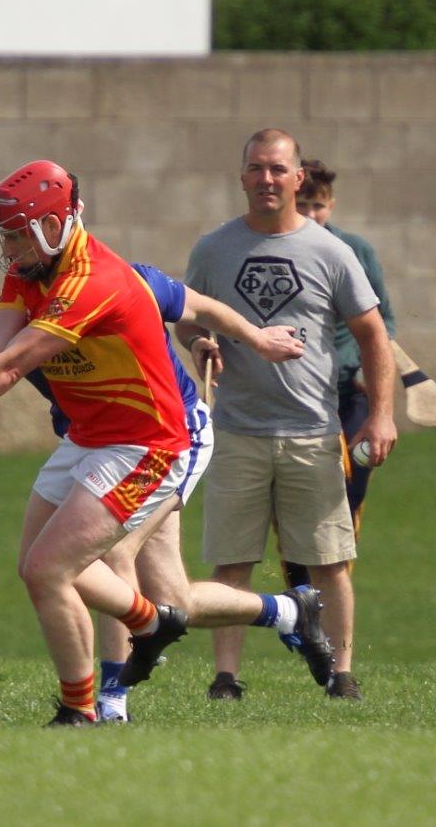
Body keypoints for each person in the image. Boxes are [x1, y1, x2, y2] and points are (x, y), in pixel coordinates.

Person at [0, 160, 311, 725]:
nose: (9, 246)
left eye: (18, 233)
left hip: (150, 443)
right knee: (41, 569)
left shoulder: (96, 280)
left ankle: (90, 706)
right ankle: (148, 628)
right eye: (6, 234)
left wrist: (258, 340)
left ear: (53, 225)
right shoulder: (26, 273)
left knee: (56, 566)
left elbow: (8, 368)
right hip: (89, 437)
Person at [176, 130, 396, 702]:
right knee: (231, 565)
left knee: (330, 563)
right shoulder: (214, 249)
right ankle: (226, 677)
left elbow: (373, 334)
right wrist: (199, 342)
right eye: (255, 169)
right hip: (237, 431)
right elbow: (186, 316)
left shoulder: (331, 251)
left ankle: (341, 674)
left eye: (278, 169)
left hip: (313, 432)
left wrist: (381, 416)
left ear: (299, 178)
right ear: (242, 176)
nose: (266, 179)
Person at [278, 159, 396, 591]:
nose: (311, 215)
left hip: (351, 392)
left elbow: (384, 323)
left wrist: (371, 375)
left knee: (346, 494)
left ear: (331, 205)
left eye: (319, 206)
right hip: (298, 394)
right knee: (296, 502)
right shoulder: (278, 250)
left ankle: (330, 590)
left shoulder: (354, 251)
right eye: (304, 204)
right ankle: (299, 594)